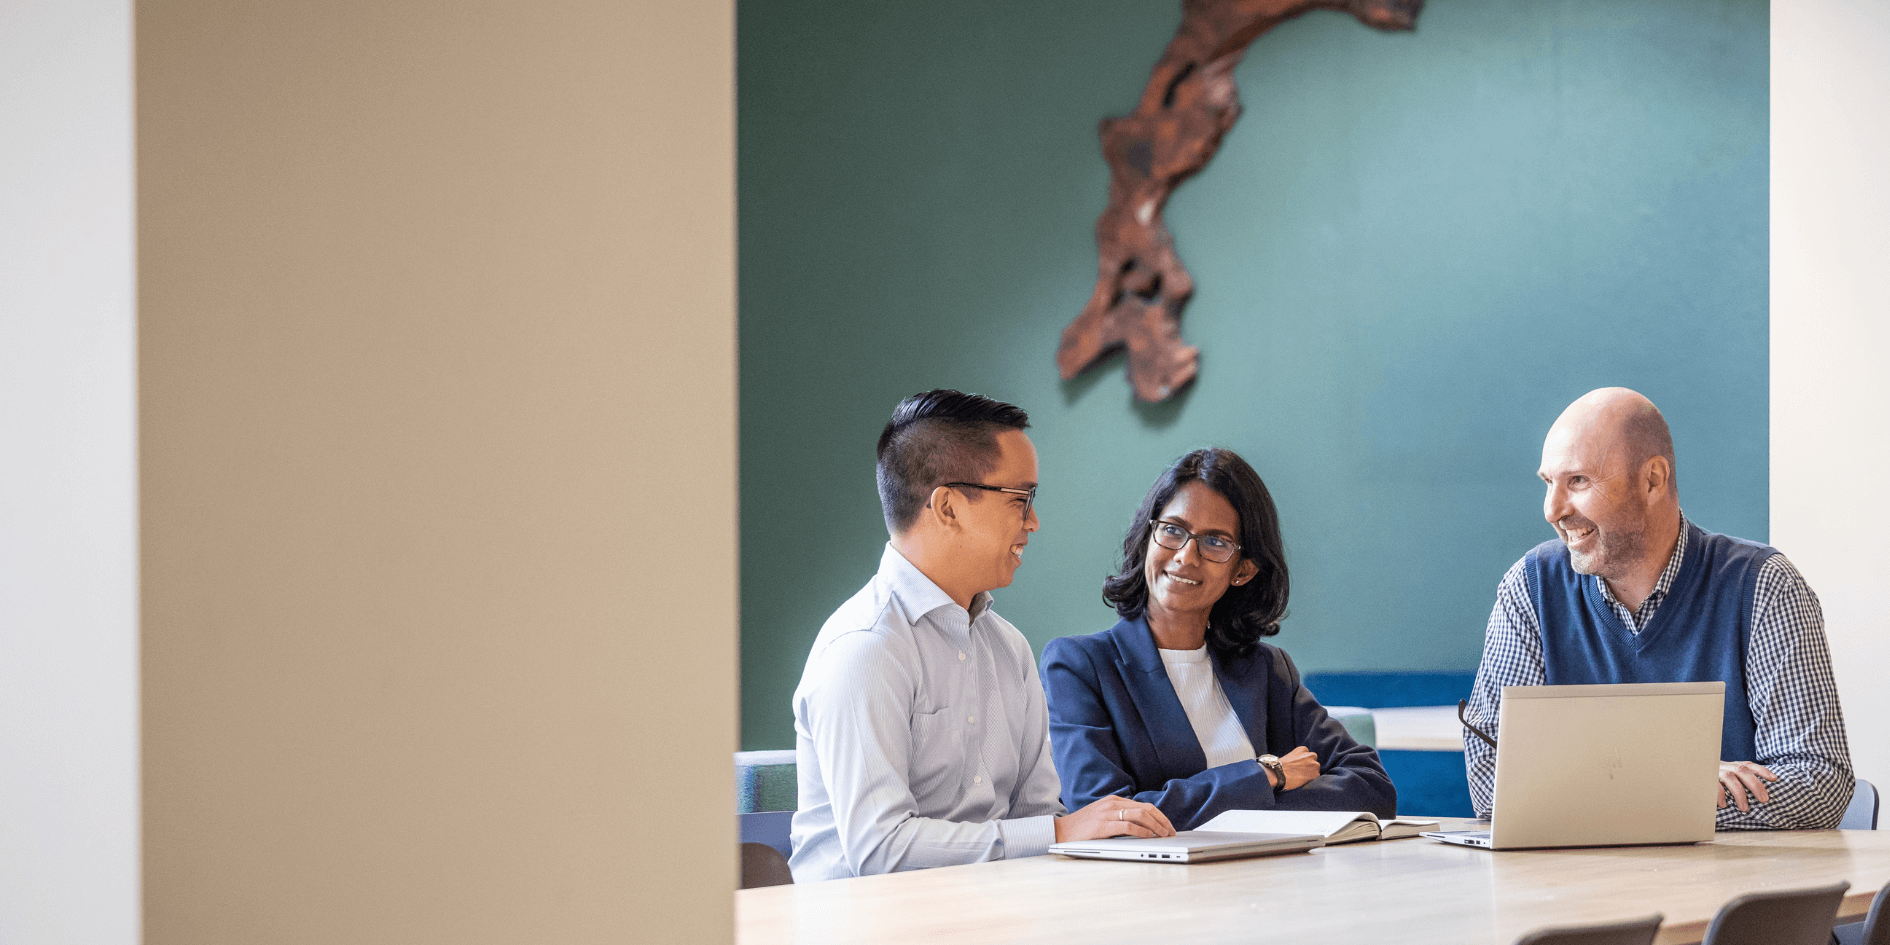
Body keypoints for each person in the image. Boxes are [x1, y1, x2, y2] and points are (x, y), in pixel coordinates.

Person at [789, 390, 1173, 883]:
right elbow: (881, 850)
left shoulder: (1008, 647)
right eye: (1021, 499)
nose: (1033, 522)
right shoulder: (865, 647)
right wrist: (1060, 833)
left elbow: (1036, 811)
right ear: (948, 507)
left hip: (989, 911)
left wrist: (1072, 835)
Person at [1464, 387, 1852, 828]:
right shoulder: (1530, 588)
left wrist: (1589, 799)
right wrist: (1680, 788)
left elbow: (1820, 782)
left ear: (1652, 480)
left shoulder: (1763, 585)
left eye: (1578, 481)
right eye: (1548, 483)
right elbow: (1493, 783)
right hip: (1575, 890)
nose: (1553, 510)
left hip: (1725, 888)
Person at [1041, 448, 1396, 831]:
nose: (1186, 556)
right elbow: (1106, 814)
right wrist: (1266, 776)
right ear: (1148, 536)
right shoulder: (1080, 665)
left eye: (1215, 542)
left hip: (1272, 879)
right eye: (1173, 530)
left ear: (1243, 571)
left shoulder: (1268, 670)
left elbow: (1372, 787)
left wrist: (1221, 810)